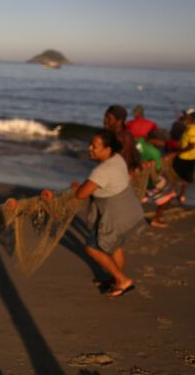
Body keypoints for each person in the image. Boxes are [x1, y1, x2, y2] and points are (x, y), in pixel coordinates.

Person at [72, 129, 144, 297]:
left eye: (95, 146)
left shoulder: (102, 171)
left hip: (116, 216)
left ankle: (122, 280)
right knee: (115, 245)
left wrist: (79, 187)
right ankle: (115, 279)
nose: (90, 148)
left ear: (107, 149)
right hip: (130, 211)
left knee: (92, 248)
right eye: (90, 144)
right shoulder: (118, 159)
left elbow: (81, 194)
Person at [135, 137, 176, 228]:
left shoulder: (139, 143)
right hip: (148, 183)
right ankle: (156, 219)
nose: (163, 144)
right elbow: (157, 171)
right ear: (156, 140)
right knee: (170, 193)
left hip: (136, 178)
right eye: (162, 142)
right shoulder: (155, 153)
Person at [103, 104, 140, 173]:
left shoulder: (120, 138)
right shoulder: (127, 134)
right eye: (105, 117)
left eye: (109, 118)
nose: (105, 121)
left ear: (119, 121)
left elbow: (122, 163)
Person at [171, 109, 195, 204]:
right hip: (187, 156)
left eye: (185, 115)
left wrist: (178, 153)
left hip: (185, 157)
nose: (183, 116)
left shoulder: (192, 130)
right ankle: (180, 195)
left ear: (191, 117)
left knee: (178, 176)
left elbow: (192, 145)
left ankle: (178, 194)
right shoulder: (189, 127)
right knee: (183, 177)